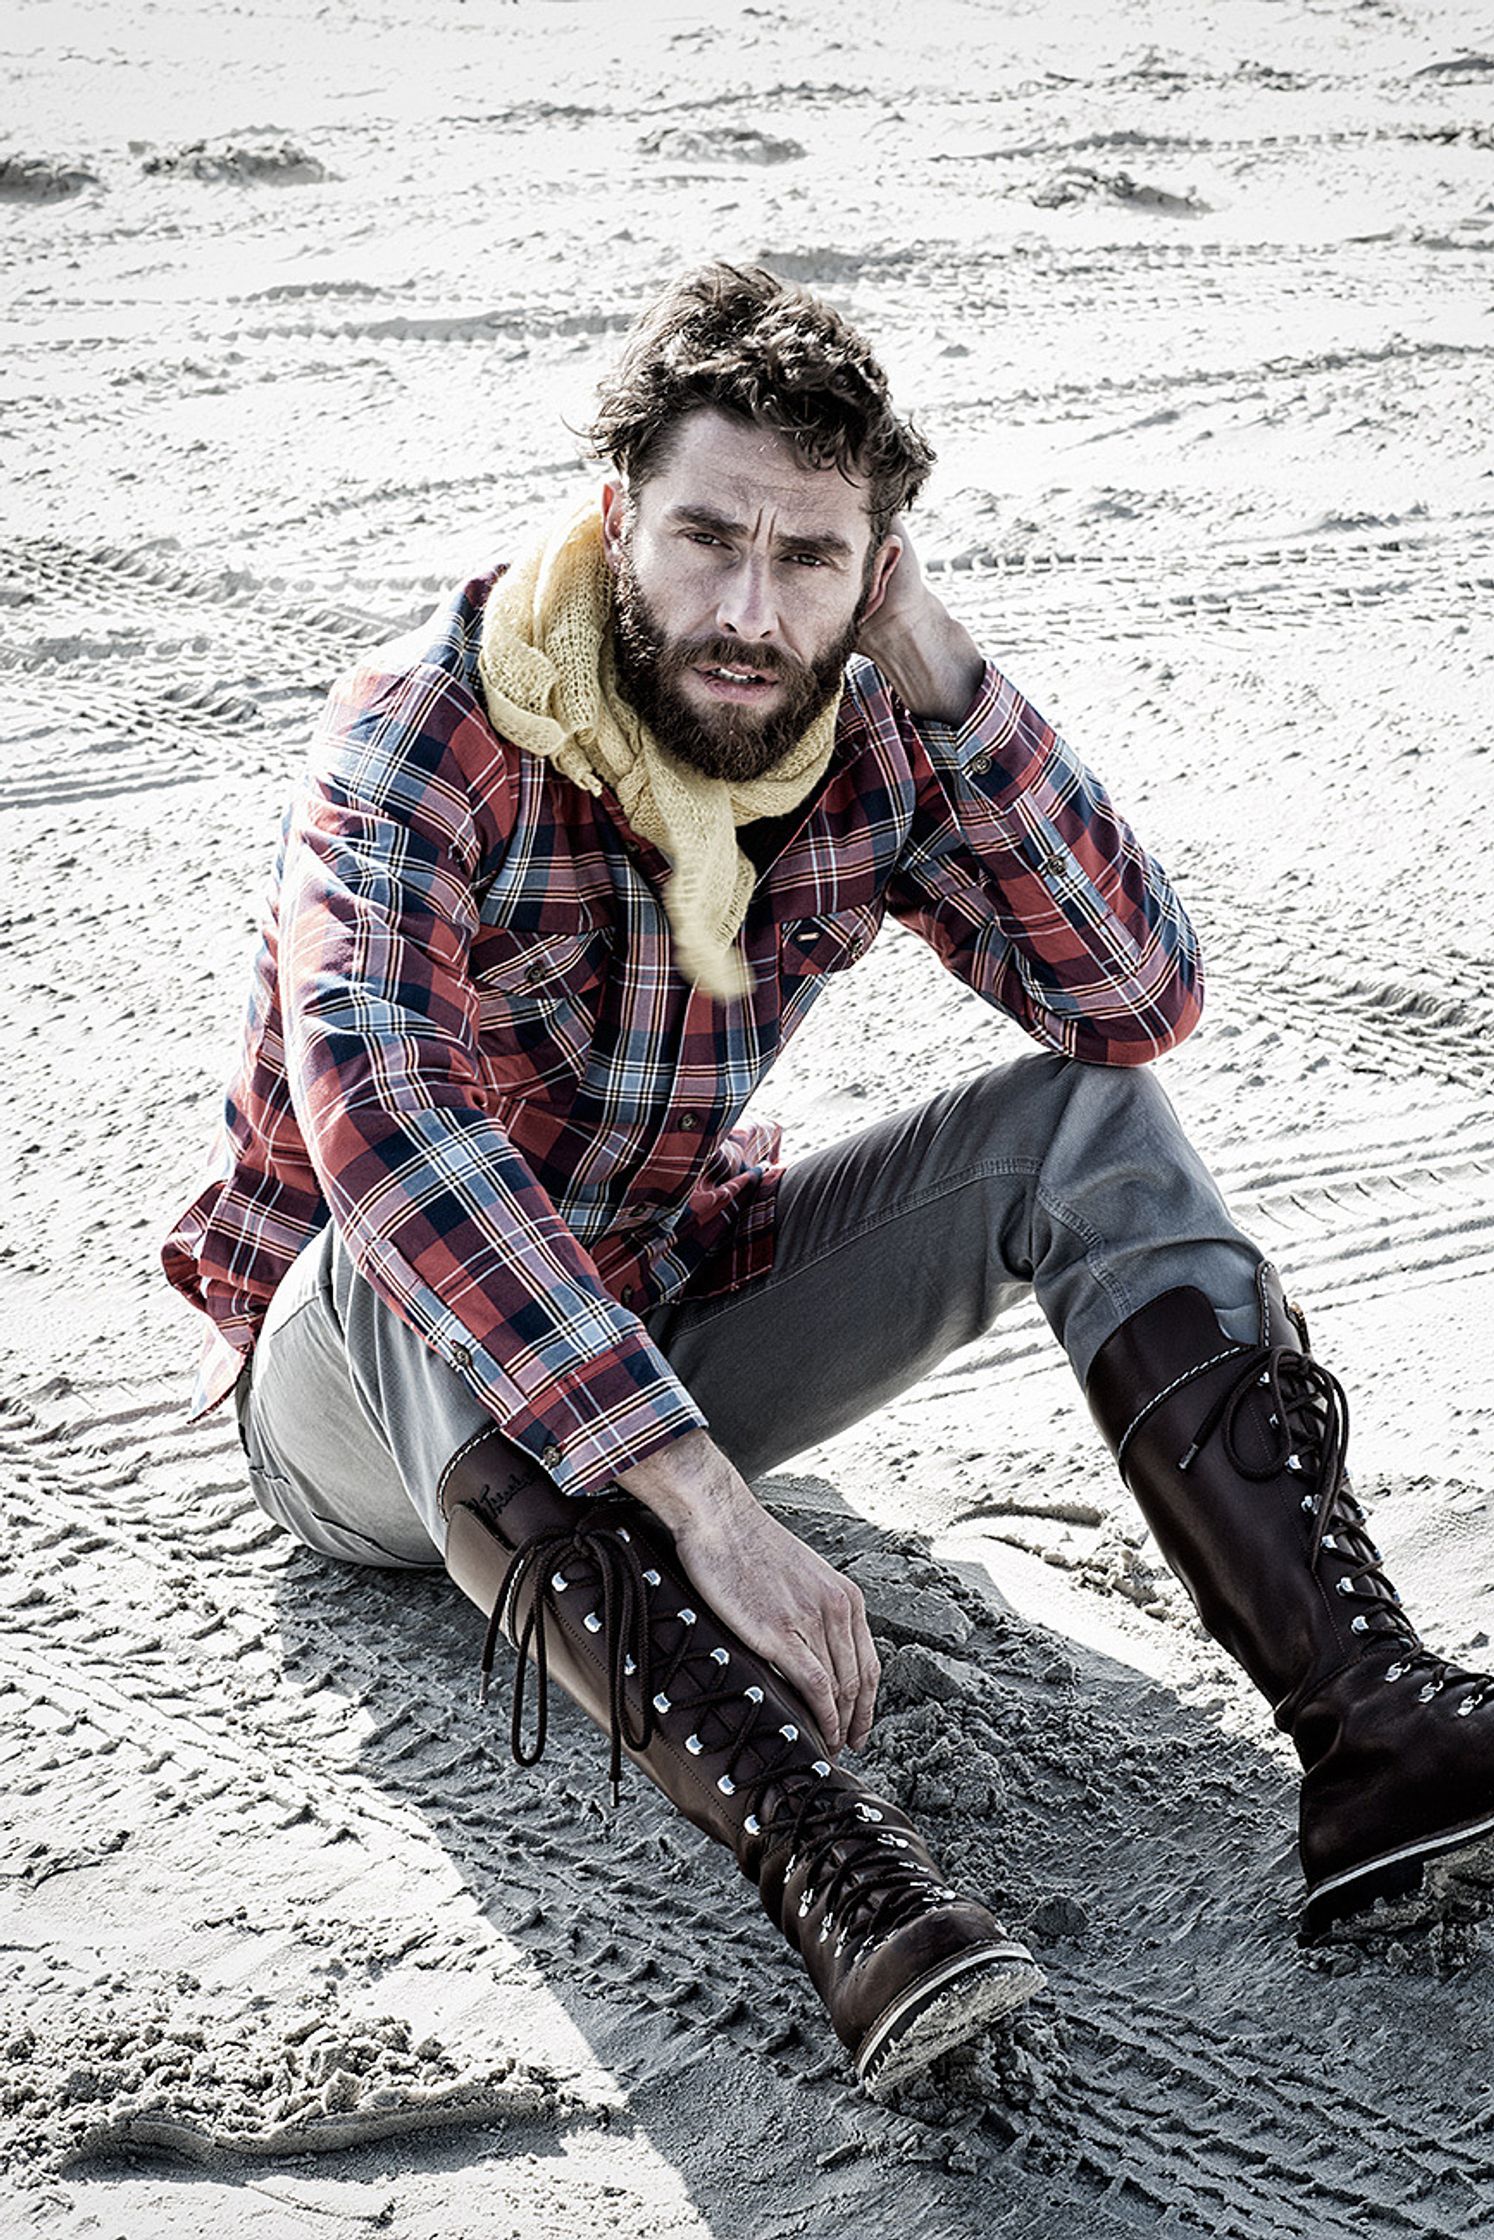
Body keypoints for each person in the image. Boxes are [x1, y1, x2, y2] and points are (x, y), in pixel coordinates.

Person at [163, 263, 1494, 2099]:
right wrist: (705, 1499)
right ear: (618, 512)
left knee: (1081, 1126)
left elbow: (1130, 994)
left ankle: (1378, 1741)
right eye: (704, 537)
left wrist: (937, 668)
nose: (742, 607)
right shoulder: (428, 726)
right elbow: (381, 1118)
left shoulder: (855, 726)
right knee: (408, 1226)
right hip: (367, 1409)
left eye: (807, 559)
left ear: (869, 568)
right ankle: (838, 1877)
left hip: (655, 1314)